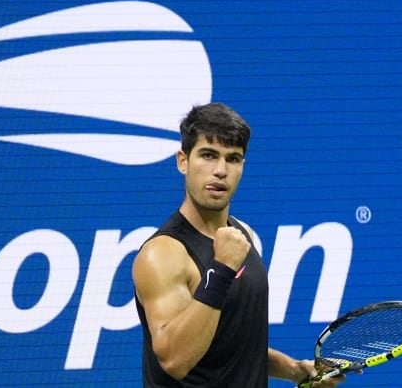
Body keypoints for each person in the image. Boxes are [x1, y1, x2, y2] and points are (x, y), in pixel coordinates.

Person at [132, 102, 351, 387]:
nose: (220, 170)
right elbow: (175, 359)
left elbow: (232, 348)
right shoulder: (162, 254)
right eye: (208, 156)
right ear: (182, 161)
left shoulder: (241, 234)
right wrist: (221, 269)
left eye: (233, 158)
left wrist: (296, 370)